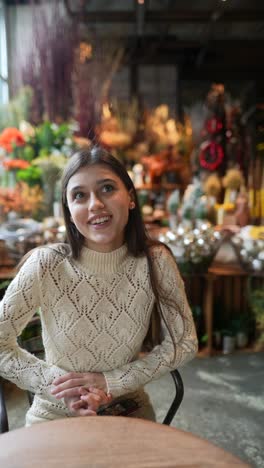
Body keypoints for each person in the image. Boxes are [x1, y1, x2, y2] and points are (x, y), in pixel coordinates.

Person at [0, 146, 198, 425]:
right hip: (55, 412)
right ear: (69, 211)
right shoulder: (46, 265)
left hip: (128, 408)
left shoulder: (155, 262)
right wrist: (61, 387)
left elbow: (184, 342)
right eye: (79, 195)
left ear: (130, 198)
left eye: (107, 188)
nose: (95, 204)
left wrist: (111, 382)